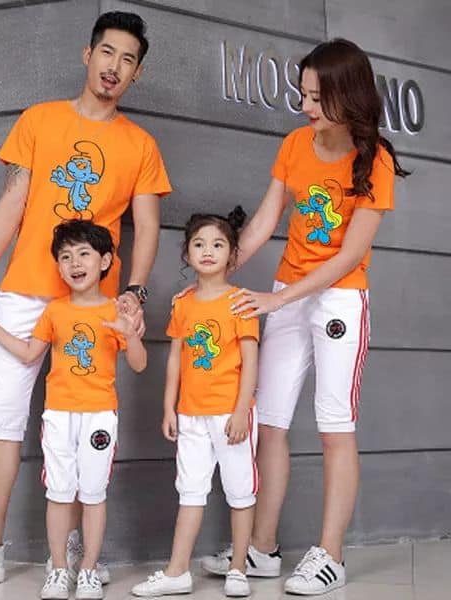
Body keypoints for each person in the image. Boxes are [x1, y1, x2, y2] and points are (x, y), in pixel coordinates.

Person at [0, 10, 171, 585]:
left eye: (128, 60)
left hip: (94, 305)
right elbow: (13, 202)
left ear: (137, 73)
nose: (114, 67)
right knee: (3, 415)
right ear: (88, 55)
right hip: (25, 291)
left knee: (84, 419)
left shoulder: (141, 144)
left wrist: (133, 293)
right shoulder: (39, 120)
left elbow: (147, 227)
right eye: (107, 53)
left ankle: (77, 552)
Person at [201, 39, 409, 596]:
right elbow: (264, 221)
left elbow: (349, 255)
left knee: (334, 425)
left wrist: (279, 301)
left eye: (316, 97)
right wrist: (218, 271)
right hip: (288, 293)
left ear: (348, 94)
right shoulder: (295, 144)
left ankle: (331, 556)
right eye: (303, 94)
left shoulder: (375, 160)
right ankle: (261, 548)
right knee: (269, 421)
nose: (305, 106)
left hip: (339, 300)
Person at [0, 220, 146, 599]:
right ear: (59, 267)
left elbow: (139, 364)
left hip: (99, 416)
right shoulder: (54, 312)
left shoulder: (115, 311)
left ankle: (88, 570)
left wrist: (130, 334)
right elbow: (29, 353)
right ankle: (59, 571)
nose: (74, 262)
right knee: (59, 493)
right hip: (58, 416)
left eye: (83, 254)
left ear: (105, 261)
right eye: (65, 257)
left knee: (93, 493)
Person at [131, 207, 260, 598]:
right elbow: (175, 359)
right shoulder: (183, 303)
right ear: (187, 253)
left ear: (232, 254)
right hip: (190, 414)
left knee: (240, 491)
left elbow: (251, 361)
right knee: (190, 491)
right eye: (199, 244)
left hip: (230, 414)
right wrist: (169, 407)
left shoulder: (241, 302)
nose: (207, 251)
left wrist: (241, 411)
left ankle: (239, 568)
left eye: (218, 245)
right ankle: (177, 571)